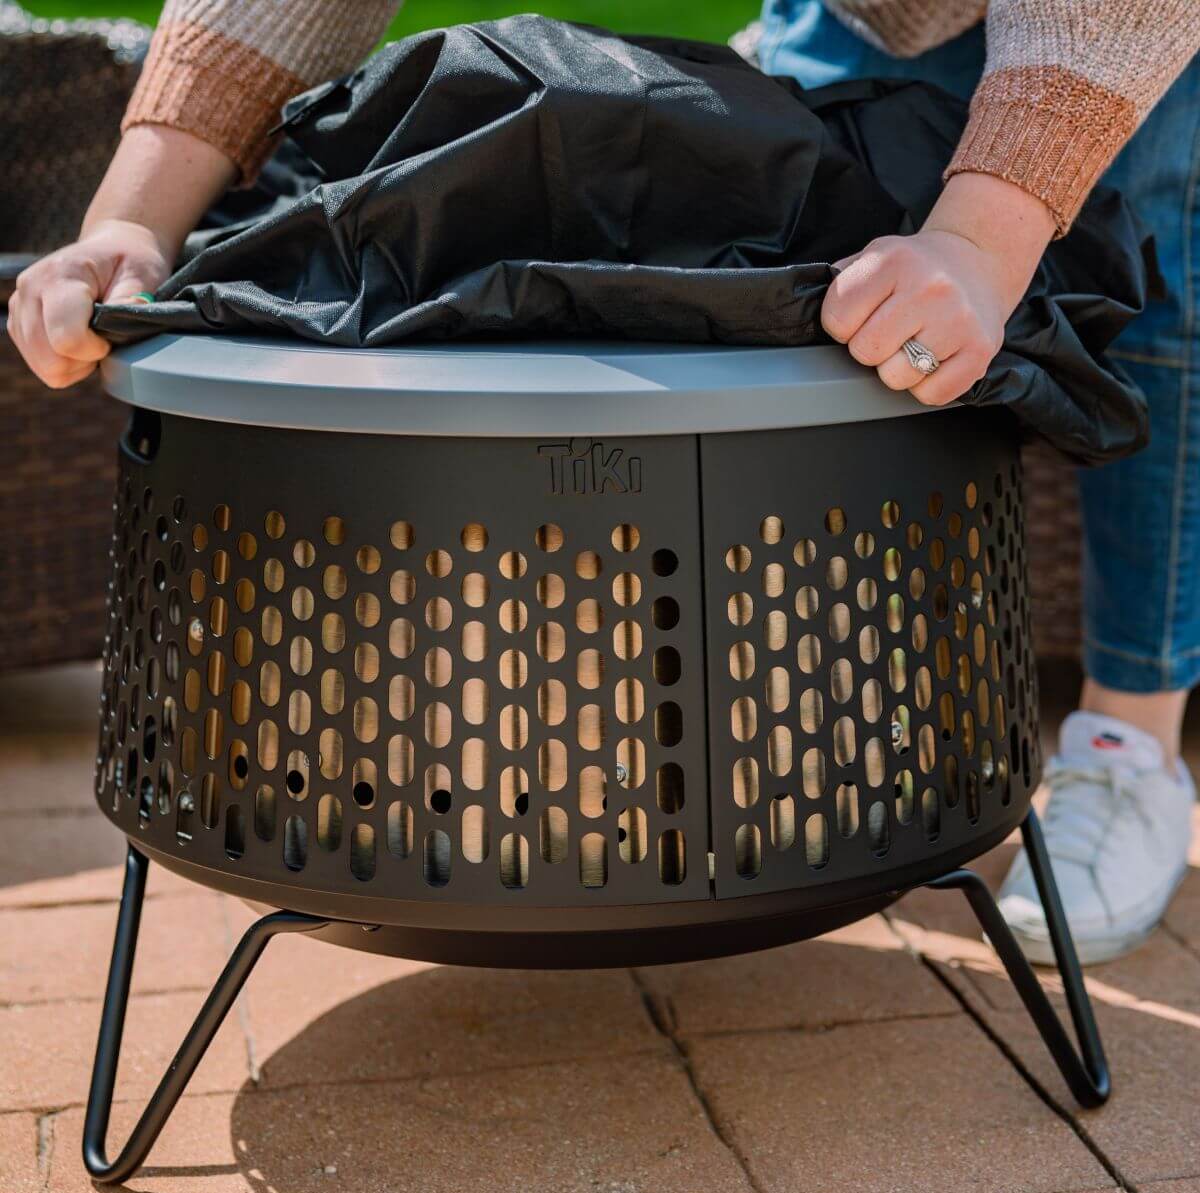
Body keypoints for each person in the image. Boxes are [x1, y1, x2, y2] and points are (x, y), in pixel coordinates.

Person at [8, 1, 1199, 963]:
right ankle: (786, 731)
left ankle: (1132, 747)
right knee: (805, 202)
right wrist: (129, 224)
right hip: (870, 14)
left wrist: (984, 241)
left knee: (1151, 234)